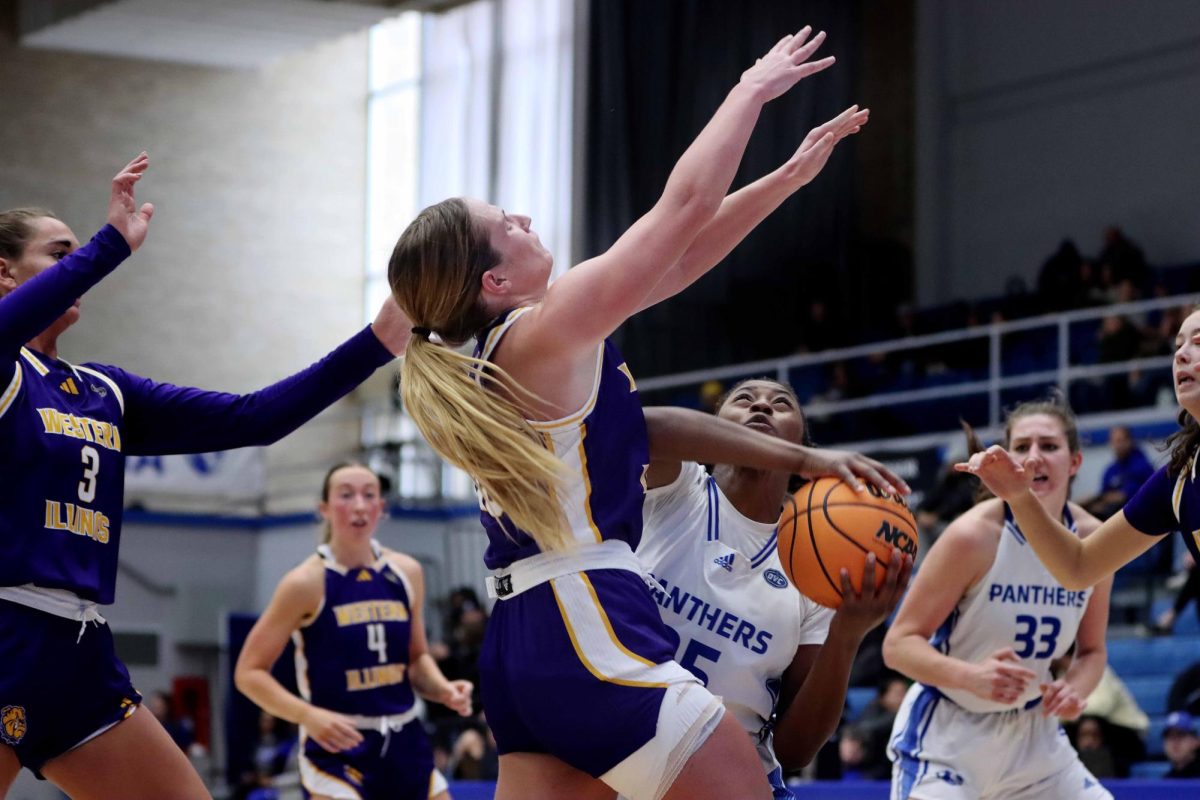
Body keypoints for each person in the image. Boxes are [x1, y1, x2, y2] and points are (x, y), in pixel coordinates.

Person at [385, 25, 897, 800]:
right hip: (588, 622)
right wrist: (751, 88)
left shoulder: (519, 349)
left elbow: (681, 257)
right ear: (493, 282)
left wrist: (786, 179)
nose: (524, 218)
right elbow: (683, 206)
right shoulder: (541, 332)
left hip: (523, 642)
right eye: (506, 225)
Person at [0, 157, 412, 799]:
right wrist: (110, 246)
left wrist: (378, 341)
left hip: (77, 647)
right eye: (60, 255)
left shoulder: (104, 391)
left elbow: (258, 417)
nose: (75, 267)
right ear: (5, 272)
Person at [637, 378, 912, 797]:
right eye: (744, 400)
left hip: (731, 775)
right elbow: (642, 428)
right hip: (625, 745)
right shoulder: (676, 490)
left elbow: (795, 749)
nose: (762, 406)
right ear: (716, 426)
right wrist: (798, 458)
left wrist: (847, 635)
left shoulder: (820, 556)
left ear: (802, 436)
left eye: (781, 404)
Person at [883, 398, 1114, 799]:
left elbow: (1092, 652)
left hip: (1036, 742)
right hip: (950, 735)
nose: (1035, 458)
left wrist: (1075, 688)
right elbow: (898, 645)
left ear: (1075, 462)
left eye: (1049, 446)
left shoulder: (1095, 539)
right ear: (1006, 461)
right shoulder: (972, 536)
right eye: (1022, 447)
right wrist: (970, 677)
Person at [234, 463, 471, 800]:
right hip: (338, 745)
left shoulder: (407, 572)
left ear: (381, 509)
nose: (359, 505)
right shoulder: (305, 583)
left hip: (404, 739)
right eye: (346, 495)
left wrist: (445, 690)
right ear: (325, 509)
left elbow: (417, 659)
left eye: (369, 495)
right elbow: (248, 672)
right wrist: (307, 715)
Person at [958, 307, 1200, 603]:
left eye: (1198, 343)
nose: (1181, 355)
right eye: (1177, 346)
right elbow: (1078, 568)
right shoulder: (1178, 481)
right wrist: (1019, 496)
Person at [1080, 426, 1154, 520]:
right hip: (1112, 515)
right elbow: (1104, 494)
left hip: (1137, 516)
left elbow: (1150, 494)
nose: (1118, 445)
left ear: (1129, 441)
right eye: (1114, 441)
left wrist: (1122, 496)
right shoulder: (1110, 470)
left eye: (1120, 440)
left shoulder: (1143, 466)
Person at [1163, 711, 1200, 779]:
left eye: (1181, 735)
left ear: (1196, 741)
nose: (1175, 742)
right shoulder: (1166, 780)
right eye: (1170, 736)